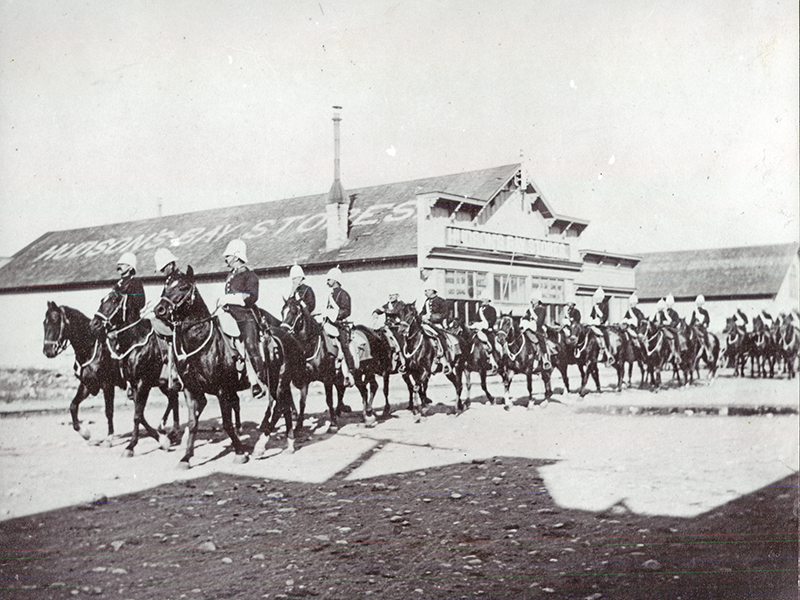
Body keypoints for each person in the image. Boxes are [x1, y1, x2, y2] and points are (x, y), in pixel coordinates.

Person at [218, 239, 266, 399]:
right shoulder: (231, 275)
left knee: (251, 346)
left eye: (228, 256)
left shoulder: (250, 275)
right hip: (229, 315)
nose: (226, 259)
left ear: (237, 257)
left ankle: (261, 379)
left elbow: (251, 297)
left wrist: (229, 299)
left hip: (246, 316)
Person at [153, 247, 184, 391]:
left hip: (180, 318)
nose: (161, 271)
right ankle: (165, 366)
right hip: (169, 318)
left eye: (163, 268)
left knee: (177, 337)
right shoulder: (169, 280)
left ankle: (177, 373)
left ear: (171, 265)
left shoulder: (180, 280)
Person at [323, 267, 355, 386]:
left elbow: (347, 310)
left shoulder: (344, 294)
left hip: (340, 324)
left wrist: (335, 316)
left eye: (329, 280)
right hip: (328, 323)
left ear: (335, 280)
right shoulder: (329, 294)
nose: (327, 282)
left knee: (344, 345)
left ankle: (350, 370)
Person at [419, 286, 454, 375]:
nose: (425, 292)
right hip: (426, 324)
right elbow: (423, 312)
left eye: (427, 290)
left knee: (439, 337)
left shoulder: (441, 301)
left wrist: (431, 318)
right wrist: (421, 317)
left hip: (437, 325)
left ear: (433, 290)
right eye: (425, 290)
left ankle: (445, 359)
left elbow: (444, 314)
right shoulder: (427, 301)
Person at [107, 252, 146, 325]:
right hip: (118, 322)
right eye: (119, 264)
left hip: (131, 322)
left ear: (130, 267)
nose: (119, 266)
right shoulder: (118, 284)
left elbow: (141, 303)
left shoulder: (136, 282)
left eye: (122, 264)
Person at [373, 292, 407, 372]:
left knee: (399, 342)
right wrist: (375, 312)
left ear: (397, 295)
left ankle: (403, 361)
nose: (391, 297)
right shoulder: (387, 304)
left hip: (397, 328)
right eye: (390, 295)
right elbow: (380, 309)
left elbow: (395, 311)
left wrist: (384, 310)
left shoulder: (401, 304)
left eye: (393, 295)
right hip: (388, 327)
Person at [521, 292, 551, 370]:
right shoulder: (530, 309)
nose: (532, 301)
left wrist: (531, 314)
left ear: (538, 300)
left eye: (534, 299)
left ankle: (545, 359)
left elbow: (539, 321)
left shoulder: (542, 309)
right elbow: (526, 317)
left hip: (538, 328)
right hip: (528, 328)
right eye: (532, 299)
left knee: (540, 339)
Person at [473, 289, 498, 371]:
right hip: (480, 330)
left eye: (483, 299)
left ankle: (494, 361)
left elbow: (492, 320)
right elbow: (476, 319)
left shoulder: (492, 310)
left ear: (487, 300)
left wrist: (485, 325)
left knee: (491, 344)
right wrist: (476, 324)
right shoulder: (480, 310)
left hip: (488, 331)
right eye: (482, 299)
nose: (482, 301)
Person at [587, 287, 613, 365]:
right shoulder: (594, 307)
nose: (598, 299)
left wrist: (600, 321)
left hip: (601, 326)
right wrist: (590, 319)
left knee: (604, 337)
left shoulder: (605, 306)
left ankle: (608, 354)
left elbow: (605, 316)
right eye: (597, 298)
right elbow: (591, 315)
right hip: (594, 325)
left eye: (599, 297)